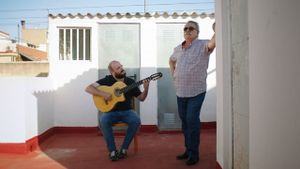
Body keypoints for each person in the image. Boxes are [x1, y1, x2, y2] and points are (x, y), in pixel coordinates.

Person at [169, 21, 216, 166]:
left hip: (196, 92)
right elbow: (171, 61)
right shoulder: (178, 48)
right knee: (185, 122)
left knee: (192, 120)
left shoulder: (203, 44)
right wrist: (174, 74)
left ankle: (194, 154)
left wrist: (218, 28)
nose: (188, 30)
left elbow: (213, 43)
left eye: (191, 28)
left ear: (197, 32)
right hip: (180, 92)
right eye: (185, 28)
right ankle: (188, 150)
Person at [85, 60, 150, 161]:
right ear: (112, 72)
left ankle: (124, 149)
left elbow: (141, 98)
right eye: (118, 68)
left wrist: (146, 89)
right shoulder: (107, 80)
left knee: (136, 120)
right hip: (110, 112)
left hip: (127, 111)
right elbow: (88, 88)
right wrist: (103, 94)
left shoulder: (130, 82)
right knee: (103, 121)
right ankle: (112, 150)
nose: (122, 69)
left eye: (121, 66)